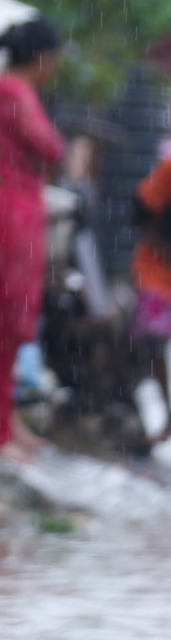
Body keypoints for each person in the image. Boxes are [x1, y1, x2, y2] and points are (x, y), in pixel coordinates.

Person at [0, 18, 65, 461]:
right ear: (44, 56)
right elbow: (50, 147)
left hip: (21, 210)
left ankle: (3, 419)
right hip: (10, 212)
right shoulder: (10, 91)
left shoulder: (14, 90)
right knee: (2, 317)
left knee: (12, 318)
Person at [134, 146, 171, 448]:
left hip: (159, 274)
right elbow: (141, 209)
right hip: (159, 273)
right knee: (152, 344)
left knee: (153, 344)